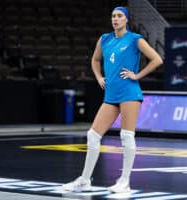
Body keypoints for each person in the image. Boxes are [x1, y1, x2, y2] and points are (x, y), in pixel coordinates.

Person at [62, 6, 163, 193]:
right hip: (111, 95)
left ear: (126, 20)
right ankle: (85, 180)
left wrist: (137, 75)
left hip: (129, 93)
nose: (115, 19)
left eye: (119, 16)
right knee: (93, 135)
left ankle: (125, 181)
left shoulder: (134, 39)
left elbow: (157, 59)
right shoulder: (105, 39)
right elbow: (95, 60)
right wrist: (99, 77)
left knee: (126, 136)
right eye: (113, 16)